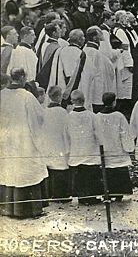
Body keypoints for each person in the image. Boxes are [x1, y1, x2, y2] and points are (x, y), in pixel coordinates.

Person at [0, 68, 49, 218]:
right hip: (24, 139)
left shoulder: (2, 94)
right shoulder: (27, 97)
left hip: (6, 139)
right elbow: (39, 118)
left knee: (9, 170)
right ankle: (29, 209)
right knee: (26, 171)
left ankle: (8, 208)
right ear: (22, 78)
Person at [63, 26, 116, 112]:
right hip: (94, 89)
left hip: (93, 87)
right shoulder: (93, 52)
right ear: (95, 38)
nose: (102, 39)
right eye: (100, 35)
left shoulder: (89, 50)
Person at [66, 89, 103, 205]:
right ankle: (90, 197)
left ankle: (82, 196)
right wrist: (101, 145)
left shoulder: (68, 117)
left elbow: (66, 133)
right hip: (90, 150)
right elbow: (99, 133)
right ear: (84, 100)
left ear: (72, 101)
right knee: (90, 174)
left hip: (77, 150)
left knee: (80, 174)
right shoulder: (92, 116)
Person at [96, 92, 134, 200]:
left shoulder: (97, 117)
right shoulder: (119, 116)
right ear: (114, 102)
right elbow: (125, 133)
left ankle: (108, 193)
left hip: (104, 152)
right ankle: (118, 194)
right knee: (118, 171)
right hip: (117, 151)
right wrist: (129, 148)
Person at [40, 86, 72, 202]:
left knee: (50, 166)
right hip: (60, 143)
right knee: (60, 167)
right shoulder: (63, 113)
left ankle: (49, 193)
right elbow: (67, 129)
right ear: (58, 97)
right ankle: (61, 195)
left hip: (48, 143)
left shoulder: (44, 112)